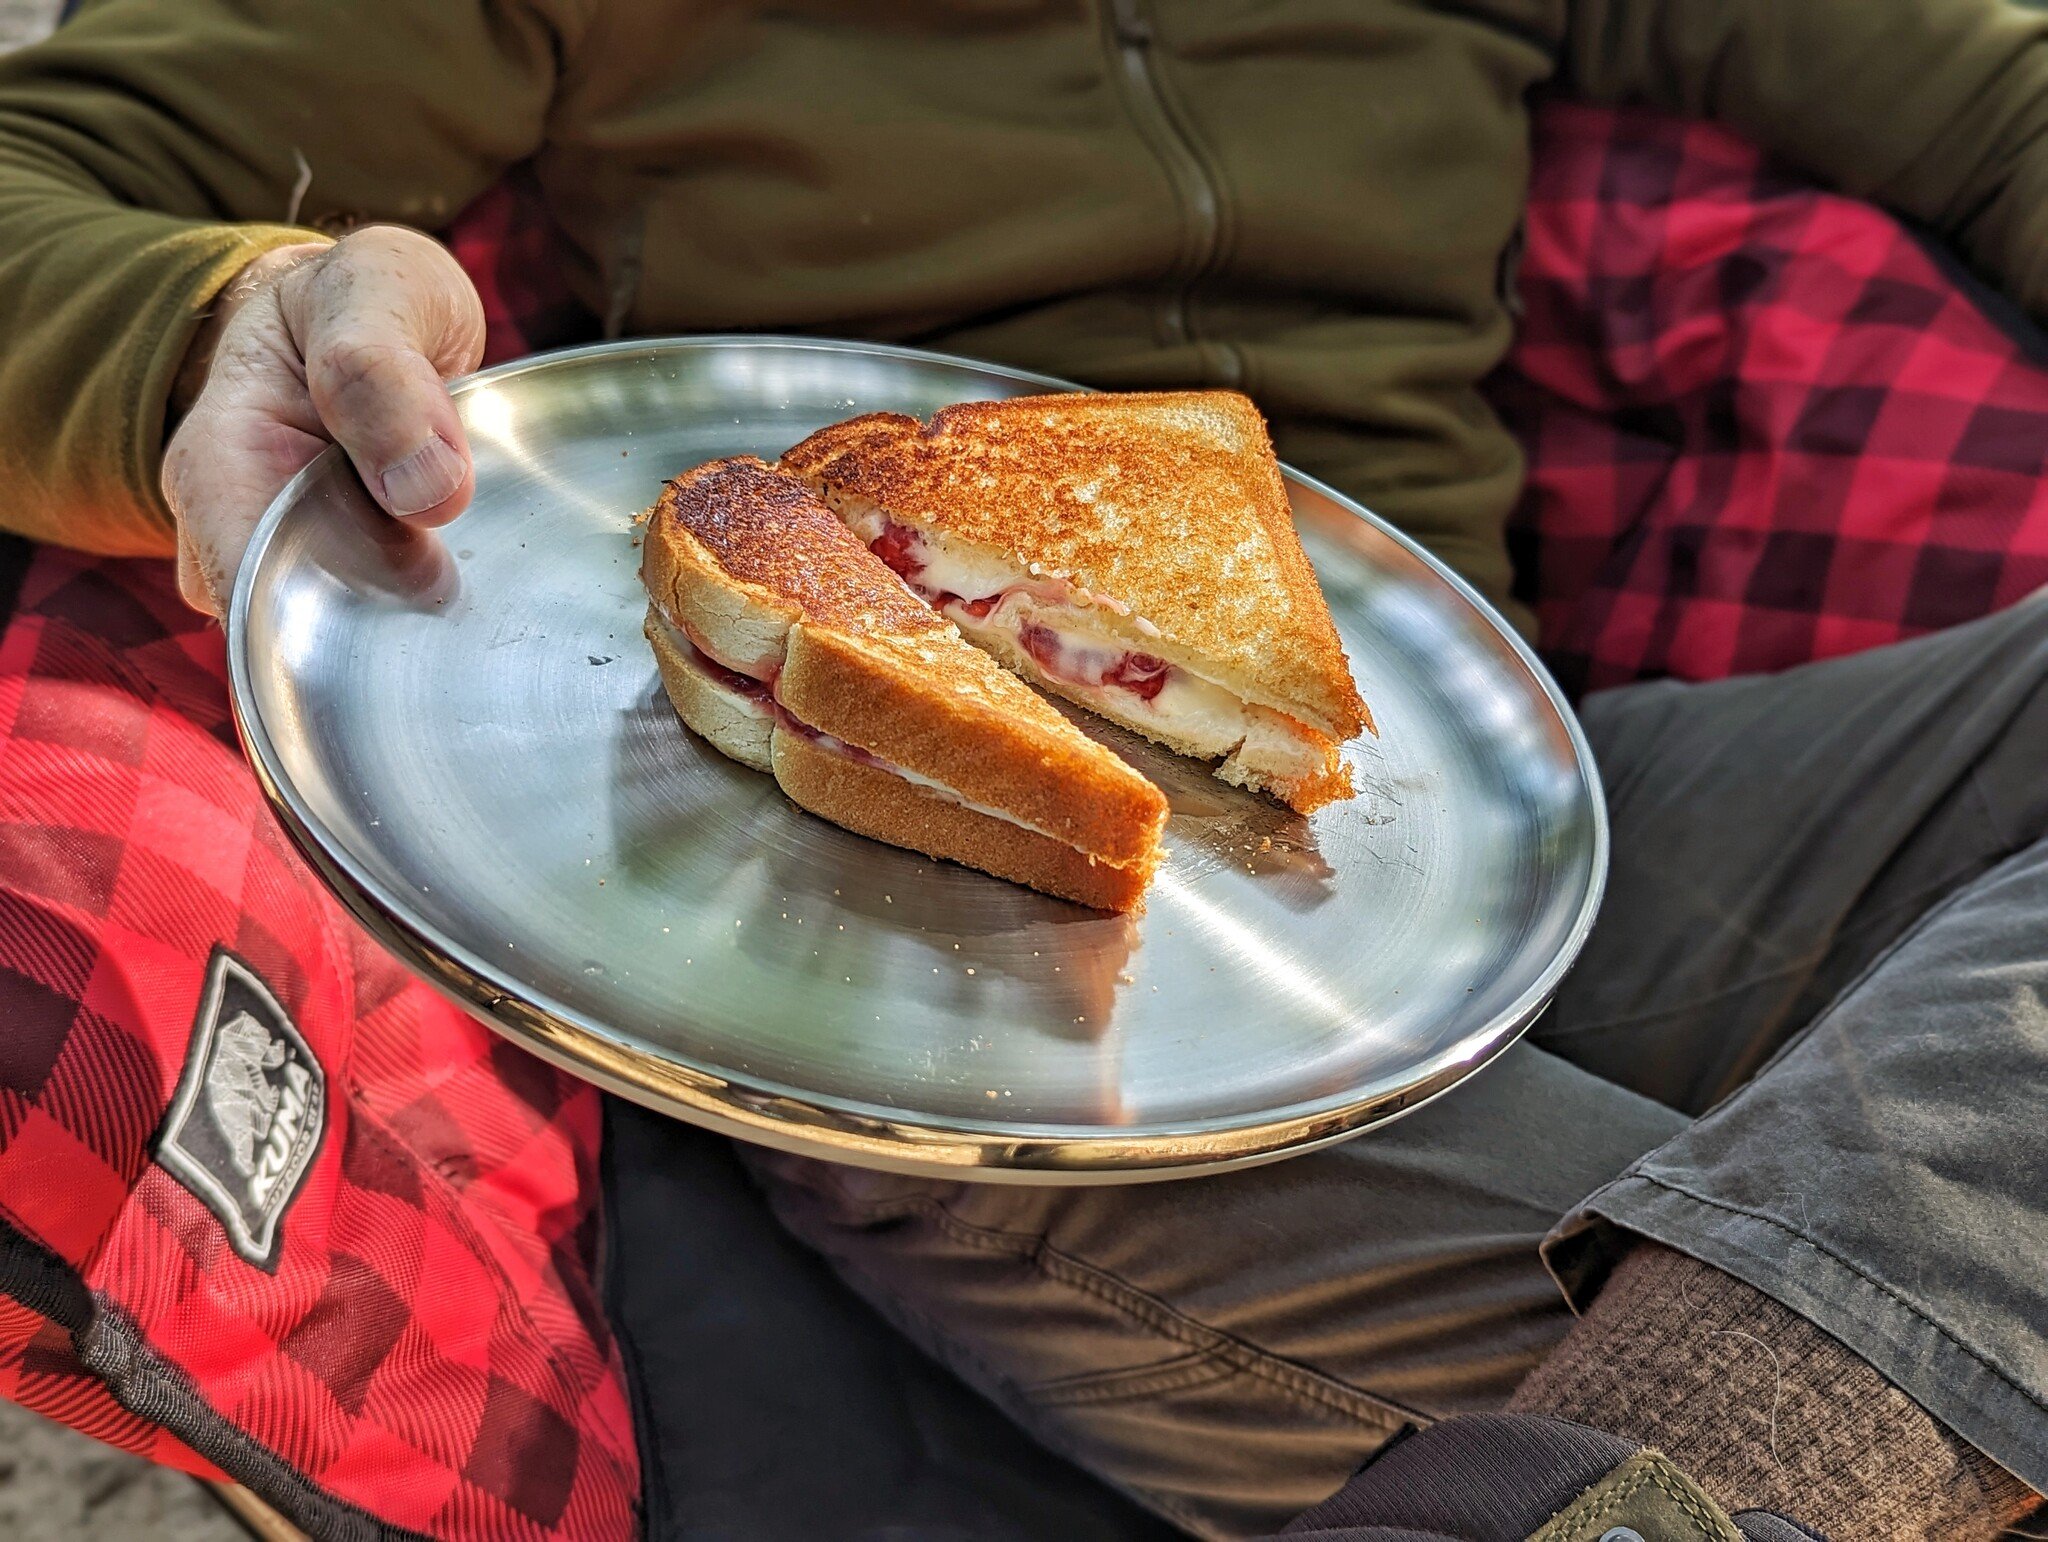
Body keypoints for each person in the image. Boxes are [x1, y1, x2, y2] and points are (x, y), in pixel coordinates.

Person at [2, 1, 2046, 1538]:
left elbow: (1988, 85)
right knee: (1916, 1332)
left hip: (1485, 834)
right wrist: (223, 329)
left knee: (1900, 1333)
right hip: (915, 994)